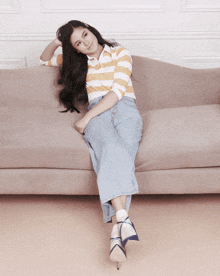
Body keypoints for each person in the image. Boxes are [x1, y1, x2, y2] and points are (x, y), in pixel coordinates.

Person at [40, 20, 143, 267]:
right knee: (112, 150)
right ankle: (122, 223)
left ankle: (118, 229)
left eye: (85, 35)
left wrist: (86, 117)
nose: (85, 42)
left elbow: (118, 91)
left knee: (119, 155)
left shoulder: (120, 52)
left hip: (125, 108)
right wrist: (59, 40)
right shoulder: (77, 61)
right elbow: (44, 60)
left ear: (92, 30)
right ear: (74, 48)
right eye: (77, 43)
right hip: (99, 111)